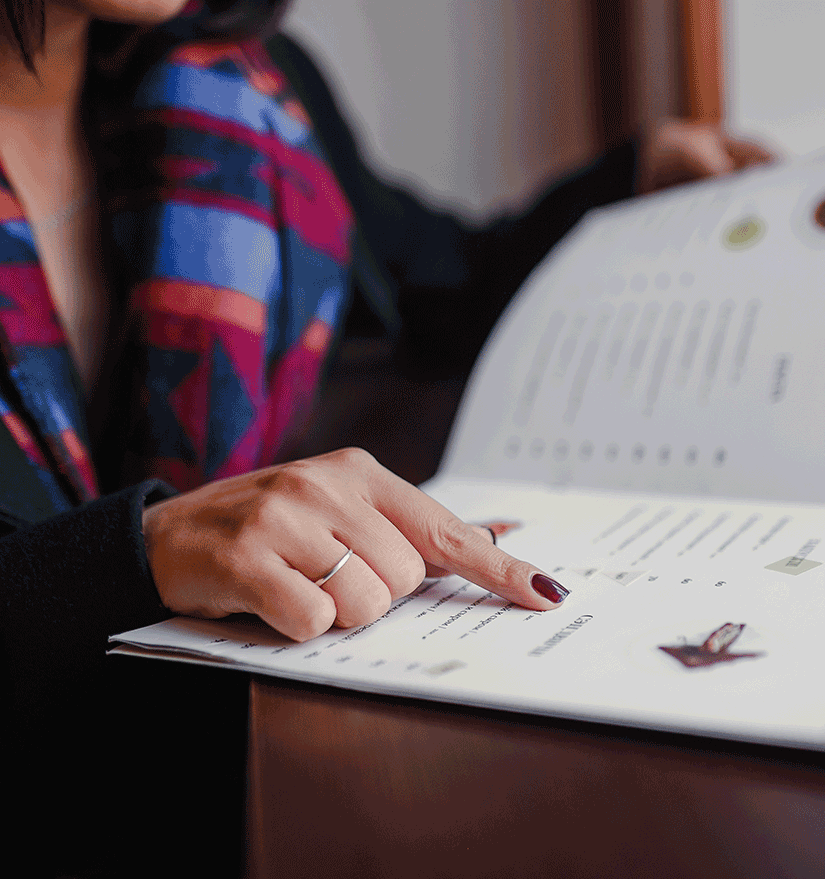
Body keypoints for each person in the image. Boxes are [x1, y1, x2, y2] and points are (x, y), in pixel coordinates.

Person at [0, 0, 770, 874]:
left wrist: (630, 183)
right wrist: (134, 555)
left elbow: (447, 285)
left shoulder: (247, 96)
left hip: (249, 792)